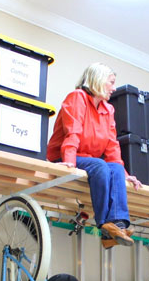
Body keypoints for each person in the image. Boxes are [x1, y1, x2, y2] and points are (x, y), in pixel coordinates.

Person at [47, 62, 142, 249]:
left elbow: (112, 146)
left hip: (90, 161)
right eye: (111, 82)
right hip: (66, 156)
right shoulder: (77, 98)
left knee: (113, 167)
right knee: (101, 165)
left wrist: (124, 174)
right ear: (98, 80)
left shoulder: (108, 110)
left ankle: (117, 225)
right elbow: (72, 132)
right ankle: (105, 225)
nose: (114, 88)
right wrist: (69, 162)